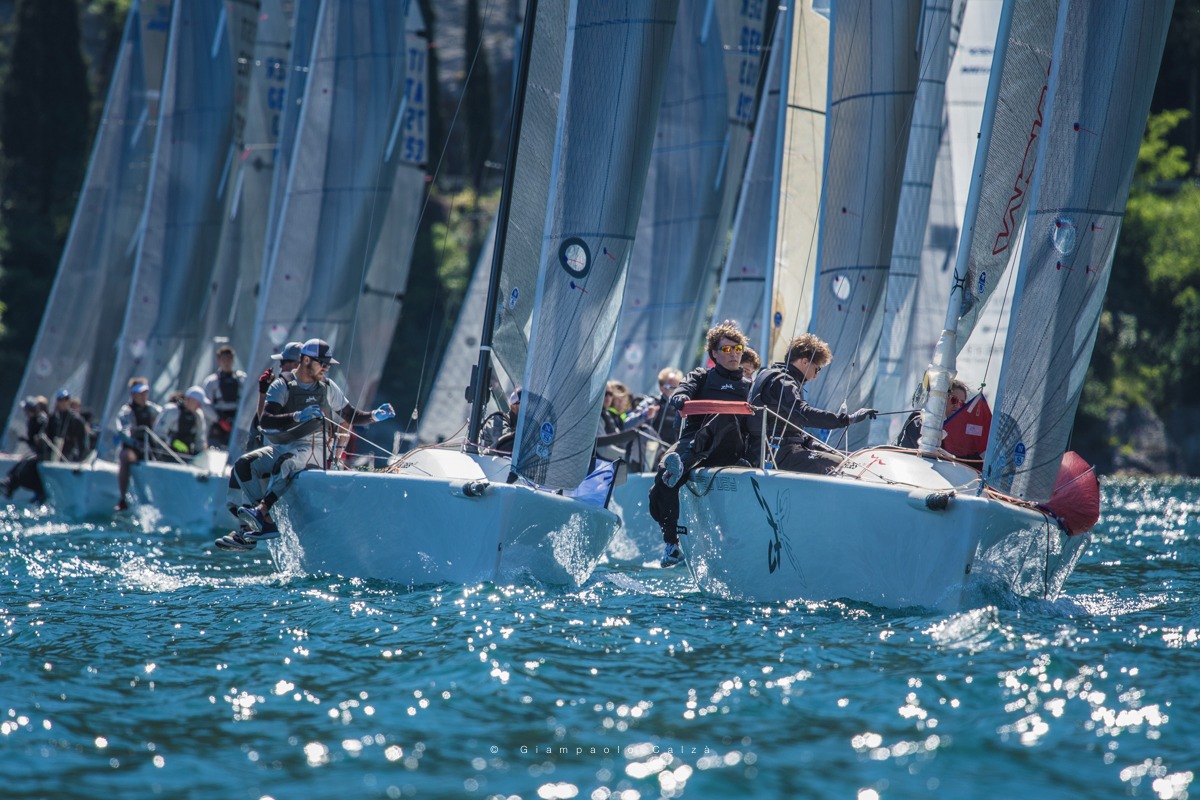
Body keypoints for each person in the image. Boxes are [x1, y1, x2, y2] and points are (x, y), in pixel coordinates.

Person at [215, 338, 396, 551]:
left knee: (286, 462)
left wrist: (374, 415)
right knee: (243, 465)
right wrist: (297, 416)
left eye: (328, 365)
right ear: (306, 360)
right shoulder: (281, 385)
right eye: (323, 363)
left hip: (317, 448)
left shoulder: (328, 386)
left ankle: (261, 511)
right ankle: (258, 526)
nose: (326, 368)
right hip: (287, 445)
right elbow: (266, 420)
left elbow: (349, 415)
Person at [648, 322, 752, 567]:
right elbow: (682, 390)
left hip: (728, 446)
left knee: (723, 418)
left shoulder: (749, 385)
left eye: (738, 349)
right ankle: (672, 545)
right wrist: (681, 397)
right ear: (714, 353)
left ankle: (681, 465)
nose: (734, 354)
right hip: (694, 441)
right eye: (727, 349)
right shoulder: (701, 376)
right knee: (659, 483)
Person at [745, 333, 877, 475]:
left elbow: (790, 425)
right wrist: (848, 419)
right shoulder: (783, 382)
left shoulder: (774, 376)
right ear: (804, 362)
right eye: (817, 369)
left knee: (841, 458)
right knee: (841, 465)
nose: (815, 376)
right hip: (775, 454)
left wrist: (812, 444)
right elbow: (804, 414)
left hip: (772, 451)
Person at [895, 378, 983, 460]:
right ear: (941, 399)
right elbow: (930, 454)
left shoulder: (960, 432)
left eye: (962, 404)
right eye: (954, 400)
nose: (957, 406)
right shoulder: (920, 423)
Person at [113, 377, 163, 512]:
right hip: (134, 449)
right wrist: (135, 443)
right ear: (133, 394)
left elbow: (165, 420)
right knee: (125, 456)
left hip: (151, 449)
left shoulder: (153, 409)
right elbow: (123, 431)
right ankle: (122, 499)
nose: (143, 396)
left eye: (145, 392)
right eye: (140, 393)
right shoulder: (126, 411)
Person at [246, 341, 302, 451]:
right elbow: (263, 420)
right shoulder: (281, 384)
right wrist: (263, 392)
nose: (280, 365)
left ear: (297, 364)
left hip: (295, 448)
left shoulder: (309, 387)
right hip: (277, 446)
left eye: (283, 362)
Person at [2, 396, 49, 502]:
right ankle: (9, 483)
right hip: (37, 453)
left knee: (25, 469)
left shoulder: (41, 420)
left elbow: (42, 438)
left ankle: (40, 493)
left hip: (43, 454)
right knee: (22, 463)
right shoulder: (32, 420)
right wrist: (25, 440)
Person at [203, 344, 245, 448]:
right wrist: (220, 420)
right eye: (223, 359)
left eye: (229, 359)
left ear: (233, 360)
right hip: (219, 422)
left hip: (237, 422)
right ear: (219, 360)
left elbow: (247, 400)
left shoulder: (242, 379)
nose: (226, 362)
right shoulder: (212, 381)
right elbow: (206, 405)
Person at [152, 385, 207, 459]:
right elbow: (158, 433)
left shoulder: (198, 416)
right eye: (198, 403)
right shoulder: (172, 411)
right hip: (166, 454)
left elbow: (200, 439)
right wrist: (174, 443)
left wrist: (199, 454)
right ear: (190, 400)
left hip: (187, 456)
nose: (199, 406)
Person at [646, 367, 684, 467]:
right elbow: (628, 423)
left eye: (679, 387)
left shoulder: (683, 406)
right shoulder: (652, 402)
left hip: (673, 457)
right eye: (672, 387)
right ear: (662, 388)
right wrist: (644, 415)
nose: (677, 391)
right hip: (651, 456)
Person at [44, 388, 89, 463]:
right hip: (52, 453)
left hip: (69, 455)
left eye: (66, 399)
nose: (64, 402)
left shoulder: (76, 419)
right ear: (57, 402)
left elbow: (83, 442)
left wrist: (81, 459)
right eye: (61, 400)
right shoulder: (52, 418)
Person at [479, 387, 520, 454]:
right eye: (523, 404)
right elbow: (506, 444)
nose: (528, 407)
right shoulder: (498, 420)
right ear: (513, 407)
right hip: (487, 460)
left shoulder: (524, 426)